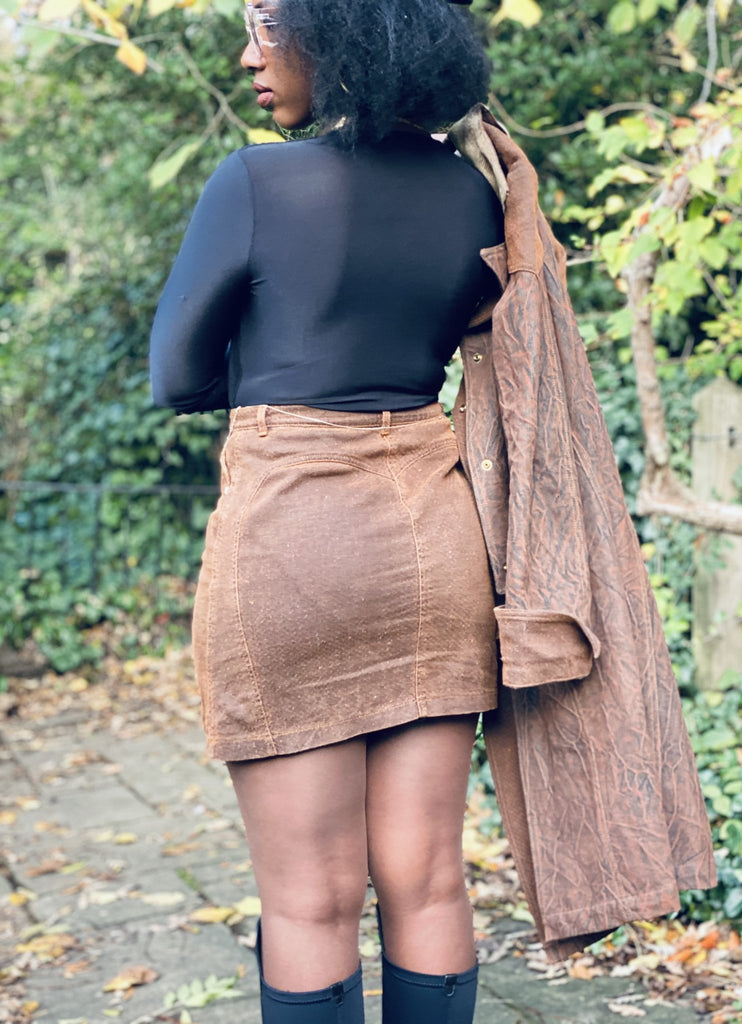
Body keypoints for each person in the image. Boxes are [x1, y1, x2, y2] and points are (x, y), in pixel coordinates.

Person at [150, 1, 505, 1021]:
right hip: (434, 538)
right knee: (429, 880)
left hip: (293, 538)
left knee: (310, 900)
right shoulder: (473, 192)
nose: (247, 55)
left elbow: (176, 376)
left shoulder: (255, 183)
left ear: (343, 32)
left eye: (267, 26)